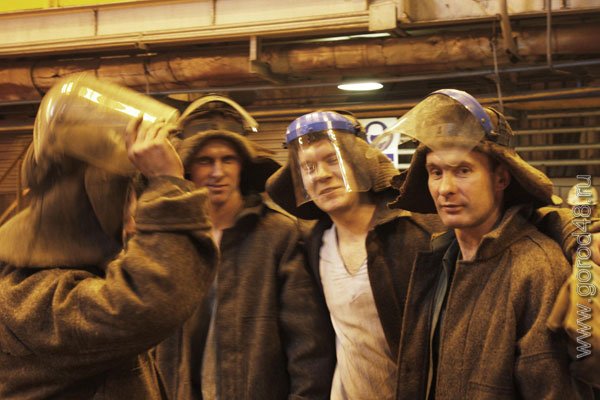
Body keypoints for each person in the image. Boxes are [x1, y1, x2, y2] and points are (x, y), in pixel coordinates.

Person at [0, 114, 218, 399]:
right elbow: (148, 303)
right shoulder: (31, 298)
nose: (133, 219)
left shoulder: (57, 280)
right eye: (126, 197)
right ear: (88, 201)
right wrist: (169, 185)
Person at [389, 89, 586, 399]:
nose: (445, 188)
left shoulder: (536, 269)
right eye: (436, 172)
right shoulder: (437, 258)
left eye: (463, 171)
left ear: (501, 179)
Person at [153, 96, 335, 400]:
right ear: (188, 169)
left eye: (228, 160)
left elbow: (308, 344)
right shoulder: (170, 239)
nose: (217, 172)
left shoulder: (277, 235)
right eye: (205, 161)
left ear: (242, 166)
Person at [267, 110, 444, 399]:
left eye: (332, 160)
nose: (321, 175)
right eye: (308, 167)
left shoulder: (414, 232)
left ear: (359, 163)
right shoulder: (315, 243)